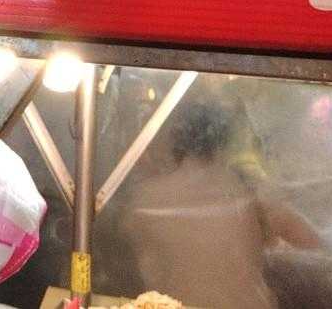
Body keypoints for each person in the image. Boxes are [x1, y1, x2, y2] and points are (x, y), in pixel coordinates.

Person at [119, 98, 321, 309]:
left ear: (174, 141)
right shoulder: (249, 190)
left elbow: (134, 252)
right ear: (224, 143)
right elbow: (310, 241)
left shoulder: (146, 197)